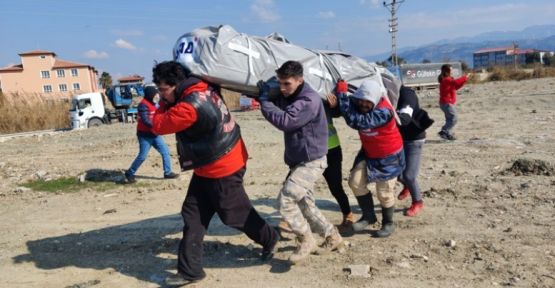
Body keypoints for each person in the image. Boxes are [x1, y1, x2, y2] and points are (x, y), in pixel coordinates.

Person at [150, 61, 279, 287]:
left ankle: (271, 237)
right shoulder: (201, 85)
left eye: (163, 89)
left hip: (223, 167)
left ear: (176, 84)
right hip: (211, 164)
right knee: (192, 214)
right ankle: (190, 271)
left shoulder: (187, 107)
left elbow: (158, 125)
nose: (161, 94)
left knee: (234, 215)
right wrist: (167, 97)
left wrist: (161, 103)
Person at [257, 60, 344, 264]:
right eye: (280, 83)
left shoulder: (309, 100)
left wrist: (264, 101)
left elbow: (286, 121)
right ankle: (333, 237)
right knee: (306, 206)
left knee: (286, 200)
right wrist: (264, 95)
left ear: (300, 80)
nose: (282, 88)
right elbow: (279, 106)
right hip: (299, 161)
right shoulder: (291, 95)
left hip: (311, 161)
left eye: (287, 83)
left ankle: (306, 240)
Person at [337, 79, 405, 238]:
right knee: (355, 182)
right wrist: (341, 94)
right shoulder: (359, 103)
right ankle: (369, 216)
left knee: (384, 193)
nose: (363, 104)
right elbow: (347, 107)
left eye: (368, 102)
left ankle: (388, 223)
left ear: (375, 99)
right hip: (368, 153)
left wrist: (341, 94)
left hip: (388, 156)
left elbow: (356, 121)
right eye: (361, 100)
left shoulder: (384, 112)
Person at [125, 86, 178, 183]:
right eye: (155, 95)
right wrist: (157, 126)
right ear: (150, 95)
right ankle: (130, 172)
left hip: (154, 134)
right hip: (144, 135)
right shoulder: (143, 105)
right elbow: (145, 120)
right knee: (142, 156)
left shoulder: (155, 104)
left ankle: (167, 173)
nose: (156, 96)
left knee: (165, 151)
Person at [396, 86, 434, 217]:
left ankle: (418, 202)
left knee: (409, 175)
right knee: (399, 174)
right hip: (399, 139)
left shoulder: (407, 93)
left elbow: (405, 116)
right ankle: (407, 187)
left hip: (414, 139)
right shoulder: (386, 94)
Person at [323, 93, 354, 228]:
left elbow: (338, 113)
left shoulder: (320, 97)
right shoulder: (292, 98)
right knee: (298, 186)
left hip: (331, 149)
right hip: (307, 151)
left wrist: (335, 106)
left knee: (335, 186)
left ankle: (348, 214)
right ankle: (290, 218)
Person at [438, 64, 470, 140]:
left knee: (449, 119)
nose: (452, 71)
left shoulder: (448, 79)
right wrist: (465, 77)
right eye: (451, 70)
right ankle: (444, 131)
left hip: (446, 103)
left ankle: (447, 134)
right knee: (454, 118)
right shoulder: (446, 79)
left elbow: (455, 87)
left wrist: (463, 81)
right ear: (447, 71)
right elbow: (456, 82)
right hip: (447, 103)